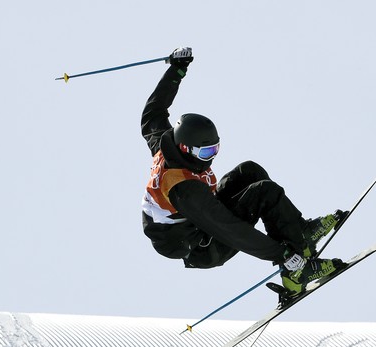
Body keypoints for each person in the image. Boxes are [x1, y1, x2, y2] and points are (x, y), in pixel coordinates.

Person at [140, 47, 347, 297]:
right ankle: (295, 273)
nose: (212, 157)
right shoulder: (184, 189)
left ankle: (298, 233)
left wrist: (176, 70)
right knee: (264, 193)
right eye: (205, 153)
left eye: (215, 149)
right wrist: (281, 254)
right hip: (202, 246)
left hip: (198, 225)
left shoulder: (165, 144)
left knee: (249, 171)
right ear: (185, 148)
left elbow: (153, 113)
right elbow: (229, 228)